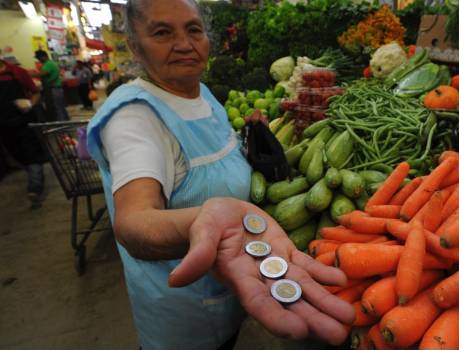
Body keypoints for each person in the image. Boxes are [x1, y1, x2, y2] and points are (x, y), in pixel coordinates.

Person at [85, 1, 354, 350]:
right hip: (183, 314)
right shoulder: (134, 119)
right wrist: (205, 221)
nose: (184, 43)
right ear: (135, 45)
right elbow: (134, 222)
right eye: (162, 32)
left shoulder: (200, 91)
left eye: (193, 29)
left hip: (235, 283)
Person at [0, 57, 47, 208]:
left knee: (31, 153)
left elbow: (36, 93)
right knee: (17, 154)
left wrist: (29, 104)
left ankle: (35, 188)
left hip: (24, 121)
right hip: (4, 126)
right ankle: (35, 176)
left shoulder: (17, 72)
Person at [32, 49, 70, 121]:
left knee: (57, 108)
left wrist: (29, 74)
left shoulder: (48, 64)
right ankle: (66, 121)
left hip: (54, 89)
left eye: (38, 58)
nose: (38, 60)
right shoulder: (51, 63)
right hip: (56, 88)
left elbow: (42, 74)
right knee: (60, 106)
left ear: (43, 56)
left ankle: (62, 124)